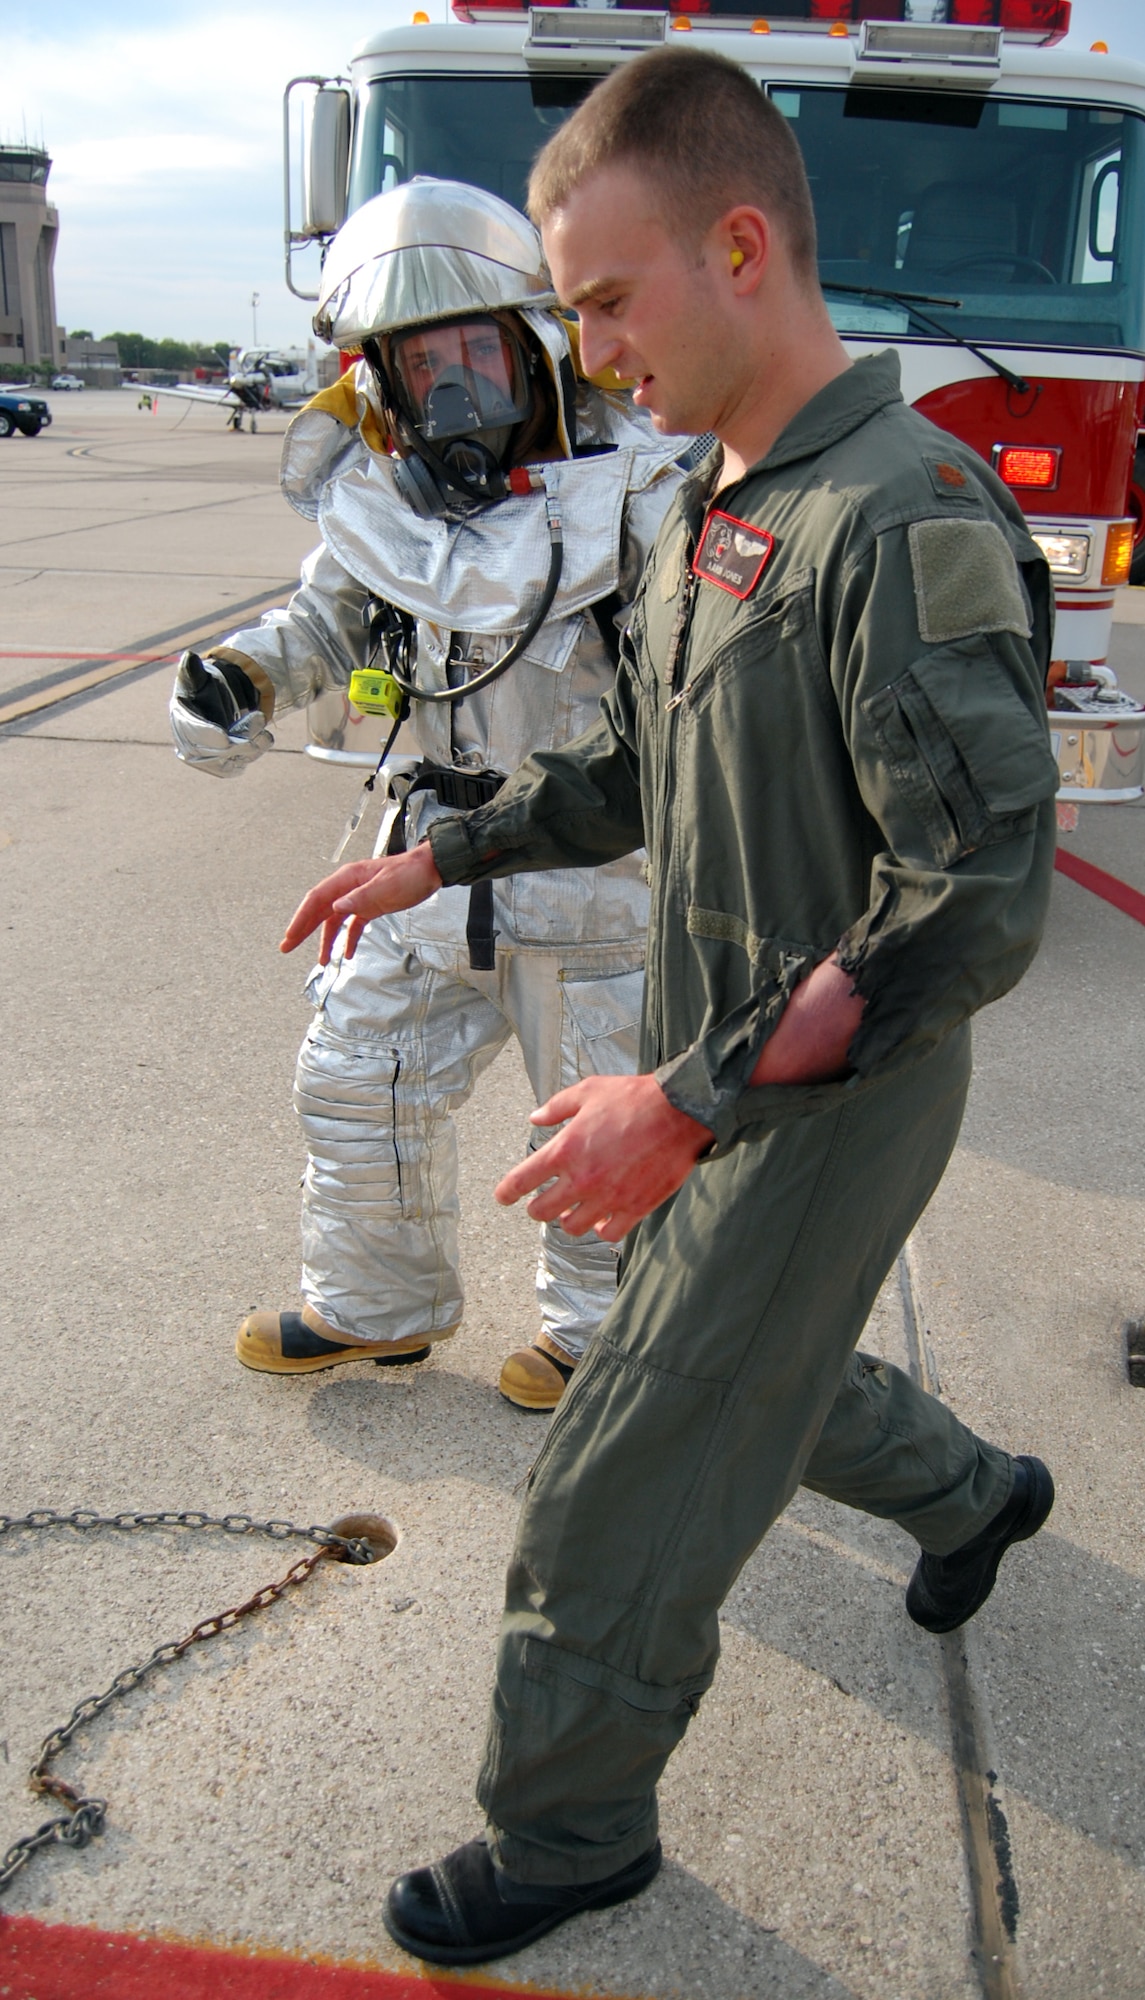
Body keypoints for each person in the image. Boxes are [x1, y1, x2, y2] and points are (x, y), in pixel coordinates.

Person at [281, 50, 1060, 1965]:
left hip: (822, 1089)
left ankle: (566, 1834)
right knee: (760, 1384)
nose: (593, 349)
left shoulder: (902, 515)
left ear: (738, 247)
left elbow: (966, 911)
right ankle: (981, 1499)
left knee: (617, 1485)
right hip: (724, 1066)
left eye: (610, 300)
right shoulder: (707, 504)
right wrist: (435, 855)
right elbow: (631, 769)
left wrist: (687, 1105)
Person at [169, 178, 682, 1409]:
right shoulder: (383, 511)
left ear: (533, 350)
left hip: (594, 876)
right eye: (419, 360)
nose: (453, 383)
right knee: (355, 1074)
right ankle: (376, 1308)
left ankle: (598, 1343)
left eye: (473, 349)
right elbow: (318, 621)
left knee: (587, 1130)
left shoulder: (646, 493)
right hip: (427, 863)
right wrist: (241, 678)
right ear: (383, 383)